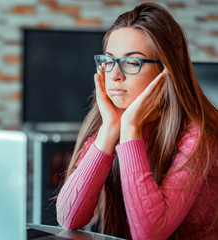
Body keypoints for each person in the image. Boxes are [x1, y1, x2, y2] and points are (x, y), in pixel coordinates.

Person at [56, 2, 218, 240]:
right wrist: (109, 131)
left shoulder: (198, 133)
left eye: (132, 62)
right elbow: (69, 218)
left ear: (166, 72)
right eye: (108, 60)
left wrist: (131, 129)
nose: (114, 75)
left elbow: (149, 233)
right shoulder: (110, 120)